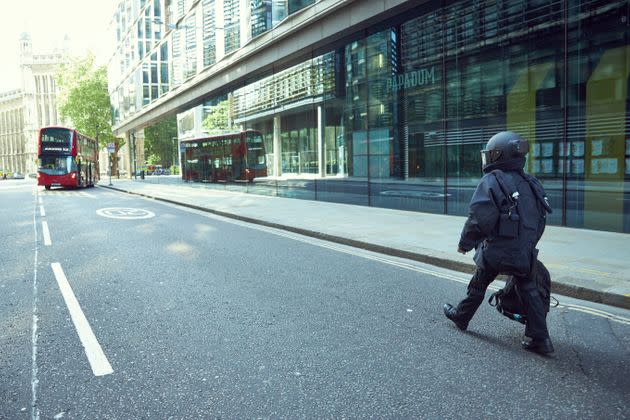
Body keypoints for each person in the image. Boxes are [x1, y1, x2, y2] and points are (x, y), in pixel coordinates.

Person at [443, 131, 554, 354]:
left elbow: (479, 219)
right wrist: (527, 246)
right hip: (524, 252)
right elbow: (540, 219)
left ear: (498, 155)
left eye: (492, 153)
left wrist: (465, 243)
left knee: (479, 282)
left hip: (496, 250)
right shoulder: (531, 182)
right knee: (529, 288)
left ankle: (461, 316)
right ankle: (540, 339)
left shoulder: (492, 181)